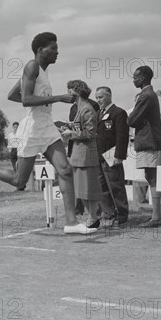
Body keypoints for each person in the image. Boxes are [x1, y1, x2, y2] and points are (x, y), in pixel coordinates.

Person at [0, 32, 96, 235]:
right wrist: (58, 97)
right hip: (33, 128)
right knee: (19, 181)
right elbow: (25, 100)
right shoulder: (32, 66)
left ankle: (71, 222)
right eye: (53, 48)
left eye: (57, 48)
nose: (57, 52)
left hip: (47, 126)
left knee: (65, 169)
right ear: (40, 50)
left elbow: (12, 95)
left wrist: (44, 101)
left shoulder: (41, 70)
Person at [127, 65, 161, 227]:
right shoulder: (148, 95)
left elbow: (132, 120)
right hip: (148, 141)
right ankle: (157, 215)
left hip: (149, 141)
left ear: (143, 78)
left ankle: (157, 217)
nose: (133, 80)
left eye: (135, 77)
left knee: (152, 177)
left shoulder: (146, 96)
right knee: (151, 177)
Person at [61, 80, 102, 229]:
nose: (67, 94)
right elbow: (82, 127)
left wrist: (71, 133)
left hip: (86, 155)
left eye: (69, 90)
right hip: (79, 155)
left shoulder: (87, 109)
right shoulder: (79, 108)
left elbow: (90, 133)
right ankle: (92, 217)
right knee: (81, 190)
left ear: (77, 91)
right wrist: (71, 126)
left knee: (88, 189)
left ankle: (93, 218)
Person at [95, 86, 130, 228]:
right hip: (98, 155)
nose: (98, 100)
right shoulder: (97, 113)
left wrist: (119, 155)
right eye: (97, 98)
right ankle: (108, 212)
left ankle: (122, 214)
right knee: (101, 186)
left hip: (112, 154)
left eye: (101, 97)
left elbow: (122, 136)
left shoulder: (119, 112)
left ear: (109, 96)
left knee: (115, 185)